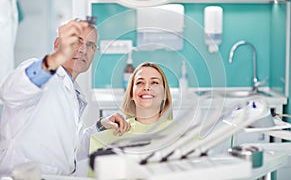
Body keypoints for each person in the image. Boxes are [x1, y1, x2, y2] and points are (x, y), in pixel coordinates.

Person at [0, 19, 130, 175]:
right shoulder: (41, 74)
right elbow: (9, 92)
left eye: (90, 45)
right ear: (57, 44)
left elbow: (71, 148)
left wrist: (101, 126)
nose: (83, 50)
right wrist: (56, 58)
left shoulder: (73, 92)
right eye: (77, 42)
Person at [89, 62, 173, 159]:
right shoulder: (112, 135)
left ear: (164, 94)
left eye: (154, 82)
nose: (146, 87)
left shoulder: (182, 134)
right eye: (140, 82)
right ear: (131, 94)